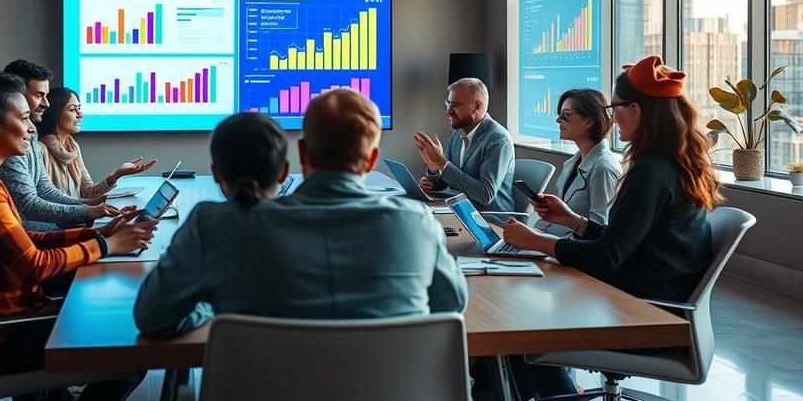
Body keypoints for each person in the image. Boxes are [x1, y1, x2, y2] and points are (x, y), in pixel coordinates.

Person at [133, 91, 468, 337]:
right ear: (371, 159)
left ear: (303, 152)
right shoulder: (419, 223)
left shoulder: (216, 225)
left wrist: (211, 307)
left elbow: (152, 316)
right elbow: (451, 305)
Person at [499, 56, 721, 399]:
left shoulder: (649, 172)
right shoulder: (671, 163)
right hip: (653, 301)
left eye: (614, 106)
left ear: (637, 109)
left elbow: (607, 257)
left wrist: (537, 242)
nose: (611, 116)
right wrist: (575, 222)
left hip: (643, 315)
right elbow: (627, 240)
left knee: (515, 323)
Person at [0, 70, 154, 400]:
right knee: (134, 346)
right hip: (0, 338)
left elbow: (26, 239)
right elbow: (33, 266)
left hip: (7, 323)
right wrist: (104, 245)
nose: (33, 128)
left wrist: (99, 233)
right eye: (23, 118)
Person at [0, 59, 119, 231]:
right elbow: (29, 205)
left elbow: (44, 188)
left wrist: (87, 205)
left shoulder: (32, 134)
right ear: (17, 97)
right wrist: (86, 212)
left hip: (40, 229)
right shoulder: (10, 141)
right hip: (28, 232)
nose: (46, 103)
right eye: (39, 95)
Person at [415, 77, 515, 213]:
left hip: (489, 218)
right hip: (459, 210)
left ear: (477, 107)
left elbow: (485, 195)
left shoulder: (497, 139)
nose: (448, 110)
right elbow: (447, 182)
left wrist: (442, 163)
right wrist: (434, 171)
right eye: (448, 103)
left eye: (455, 105)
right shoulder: (457, 133)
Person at [38, 86, 157, 200]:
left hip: (77, 216)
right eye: (73, 109)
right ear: (54, 113)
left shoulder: (72, 148)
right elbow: (47, 201)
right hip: (64, 220)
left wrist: (116, 175)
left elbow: (88, 193)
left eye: (79, 108)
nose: (80, 115)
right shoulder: (41, 149)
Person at [532, 88, 621, 237]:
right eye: (559, 114)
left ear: (589, 120)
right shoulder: (572, 163)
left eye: (565, 114)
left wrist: (537, 241)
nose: (558, 120)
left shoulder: (603, 167)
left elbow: (599, 231)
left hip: (568, 252)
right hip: (550, 241)